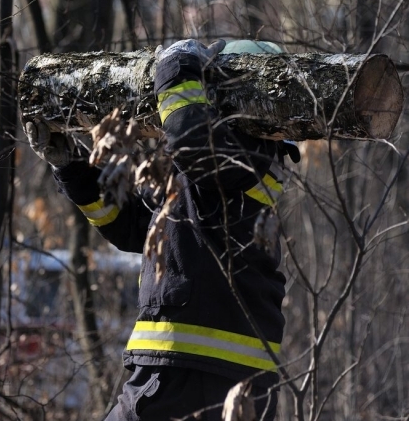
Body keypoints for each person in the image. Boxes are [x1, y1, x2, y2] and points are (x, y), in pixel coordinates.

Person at [25, 39, 299, 420]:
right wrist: (71, 167)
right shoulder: (215, 184)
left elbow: (190, 138)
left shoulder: (245, 160)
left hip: (193, 374)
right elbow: (135, 228)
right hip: (198, 373)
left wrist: (176, 68)